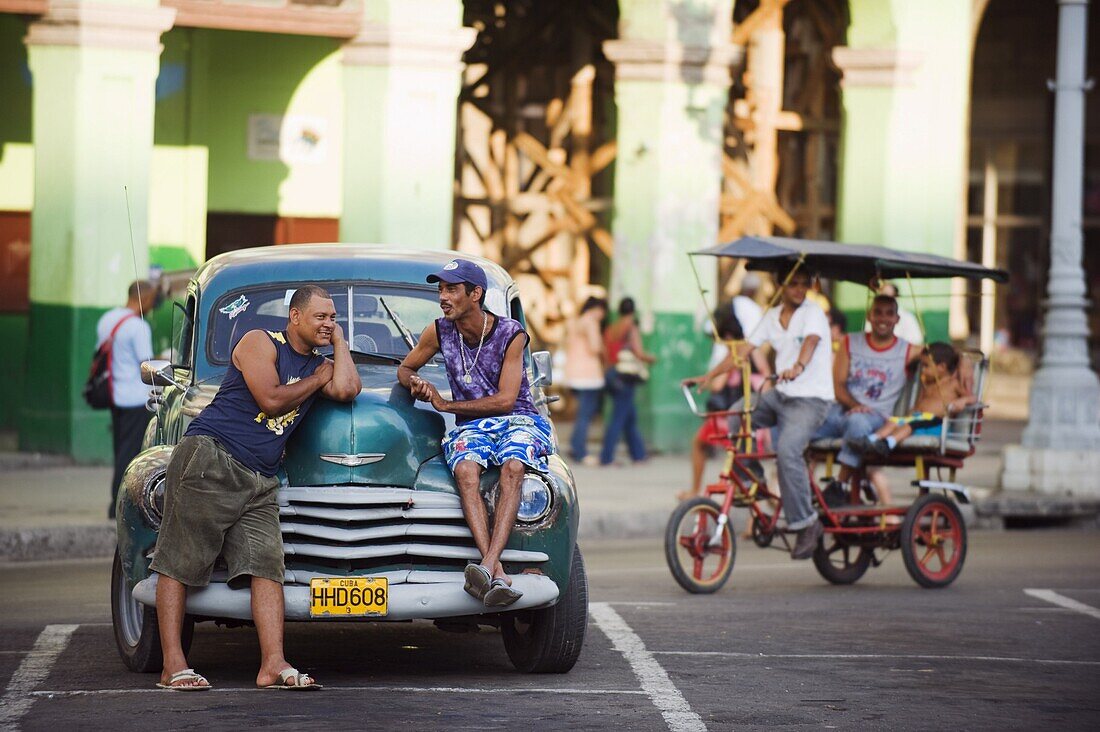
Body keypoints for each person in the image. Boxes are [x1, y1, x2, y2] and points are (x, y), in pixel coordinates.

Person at [150, 285, 361, 691]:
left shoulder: (320, 362)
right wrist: (318, 378)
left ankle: (272, 665)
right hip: (213, 459)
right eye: (321, 317)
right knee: (180, 560)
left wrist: (339, 344)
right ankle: (172, 665)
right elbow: (270, 399)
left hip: (261, 477)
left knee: (267, 567)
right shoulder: (259, 342)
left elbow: (348, 388)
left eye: (333, 318)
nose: (328, 324)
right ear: (295, 317)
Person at [398, 259, 553, 608]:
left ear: (476, 294)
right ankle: (494, 570)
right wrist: (416, 383)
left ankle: (484, 565)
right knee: (466, 470)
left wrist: (445, 404)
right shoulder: (438, 331)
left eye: (451, 289)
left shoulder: (511, 333)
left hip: (519, 419)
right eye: (440, 289)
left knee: (514, 466)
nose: (443, 297)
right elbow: (406, 368)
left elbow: (506, 400)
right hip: (473, 427)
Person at [683, 268, 833, 559]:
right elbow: (742, 351)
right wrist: (708, 376)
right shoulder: (772, 315)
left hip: (811, 400)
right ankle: (752, 478)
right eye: (794, 284)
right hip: (781, 395)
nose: (800, 289)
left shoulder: (812, 313)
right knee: (735, 414)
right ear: (780, 285)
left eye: (805, 284)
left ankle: (806, 523)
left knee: (788, 450)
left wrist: (799, 367)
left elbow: (811, 343)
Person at [814, 294, 920, 506]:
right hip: (842, 410)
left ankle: (840, 485)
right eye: (878, 313)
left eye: (889, 314)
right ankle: (807, 491)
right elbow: (838, 386)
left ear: (897, 319)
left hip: (876, 419)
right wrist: (856, 405)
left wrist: (963, 365)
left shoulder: (907, 350)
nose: (883, 318)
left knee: (858, 422)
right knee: (803, 423)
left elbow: (942, 355)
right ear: (869, 316)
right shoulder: (850, 342)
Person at [679, 306, 770, 501]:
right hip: (751, 413)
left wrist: (724, 372)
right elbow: (766, 374)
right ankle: (751, 518)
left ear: (725, 335)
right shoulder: (754, 350)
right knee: (746, 463)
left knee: (711, 449)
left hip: (732, 416)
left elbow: (717, 386)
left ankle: (696, 489)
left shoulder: (735, 352)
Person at [98, 279, 160, 519]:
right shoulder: (138, 327)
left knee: (119, 449)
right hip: (135, 398)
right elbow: (146, 362)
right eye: (152, 300)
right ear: (144, 299)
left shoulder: (107, 319)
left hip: (114, 395)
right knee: (132, 454)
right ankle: (120, 505)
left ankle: (114, 502)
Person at [852, 342, 975, 457]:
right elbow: (920, 403)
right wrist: (910, 413)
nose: (923, 370)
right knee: (893, 421)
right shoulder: (927, 383)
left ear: (941, 367)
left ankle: (888, 443)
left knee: (909, 425)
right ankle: (871, 440)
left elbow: (971, 397)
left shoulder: (953, 384)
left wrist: (962, 401)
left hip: (935, 424)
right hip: (918, 418)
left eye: (926, 366)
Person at [600, 297, 657, 466]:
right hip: (624, 376)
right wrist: (651, 358)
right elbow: (639, 352)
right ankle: (606, 456)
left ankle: (638, 454)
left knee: (629, 416)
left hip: (611, 373)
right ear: (633, 311)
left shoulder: (611, 328)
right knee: (619, 417)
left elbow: (605, 351)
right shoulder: (631, 327)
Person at [564, 296, 608, 466]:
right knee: (585, 414)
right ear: (598, 309)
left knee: (582, 413)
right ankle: (581, 451)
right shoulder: (590, 322)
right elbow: (595, 346)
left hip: (575, 372)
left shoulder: (577, 321)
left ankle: (576, 446)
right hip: (588, 374)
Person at [732, 272, 764, 339]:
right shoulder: (754, 309)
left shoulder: (729, 303)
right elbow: (752, 337)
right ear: (754, 291)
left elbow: (708, 328)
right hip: (741, 347)